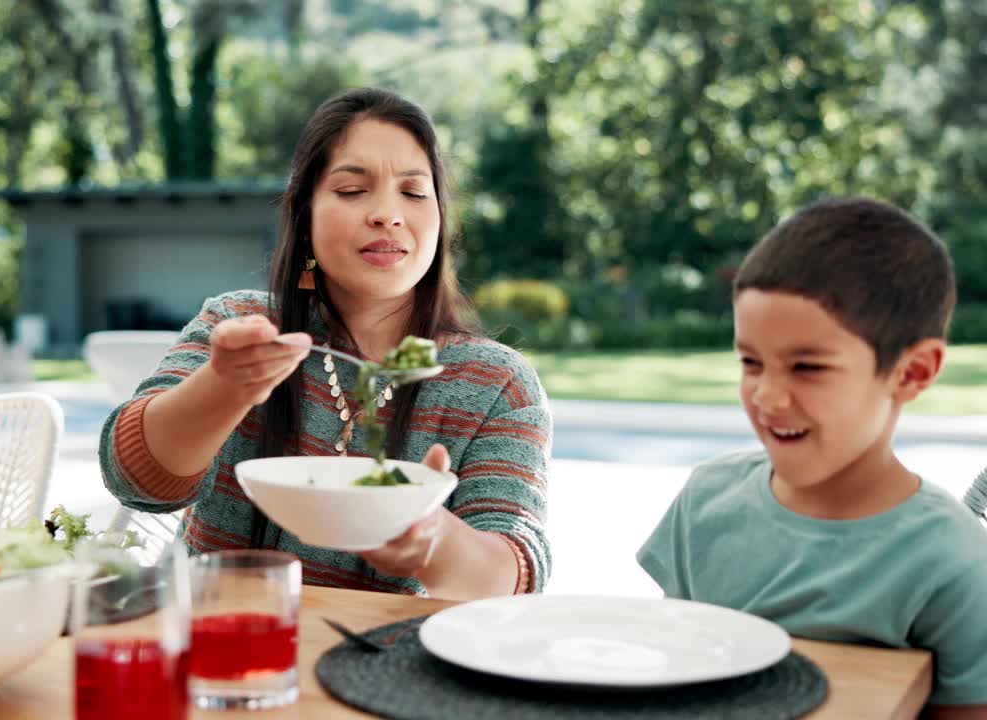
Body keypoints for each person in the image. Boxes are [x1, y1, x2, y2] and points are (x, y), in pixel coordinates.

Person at [99, 88, 551, 600]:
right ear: (305, 215)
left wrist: (432, 542)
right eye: (353, 190)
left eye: (414, 192)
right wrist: (225, 386)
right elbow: (134, 481)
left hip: (391, 666)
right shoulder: (238, 323)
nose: (387, 213)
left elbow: (512, 577)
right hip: (222, 642)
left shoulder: (496, 384)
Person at [638, 198, 987, 716]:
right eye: (751, 362)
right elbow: (676, 677)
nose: (768, 397)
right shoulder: (704, 501)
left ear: (911, 374)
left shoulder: (955, 561)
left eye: (807, 367)